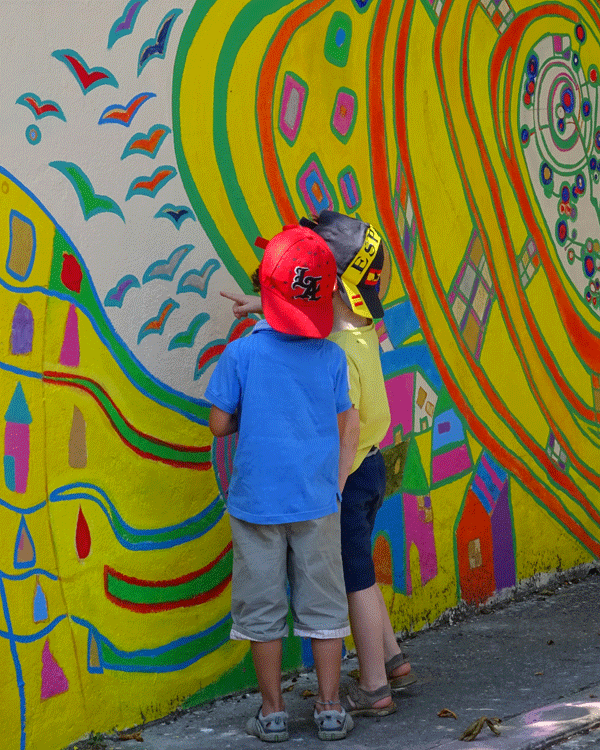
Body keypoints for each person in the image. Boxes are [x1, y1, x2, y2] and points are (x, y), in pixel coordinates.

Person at [221, 211, 416, 719]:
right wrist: (264, 305)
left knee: (355, 580)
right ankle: (393, 660)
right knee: (361, 570)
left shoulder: (328, 350)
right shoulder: (361, 325)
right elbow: (309, 313)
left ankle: (374, 686)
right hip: (374, 465)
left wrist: (332, 486)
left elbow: (344, 427)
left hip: (345, 477)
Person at [206, 225, 359, 742]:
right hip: (317, 500)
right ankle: (331, 707)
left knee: (262, 610)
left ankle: (272, 714)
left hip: (256, 505)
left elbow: (220, 425)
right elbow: (343, 421)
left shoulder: (241, 355)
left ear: (265, 295)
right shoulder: (332, 357)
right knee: (324, 608)